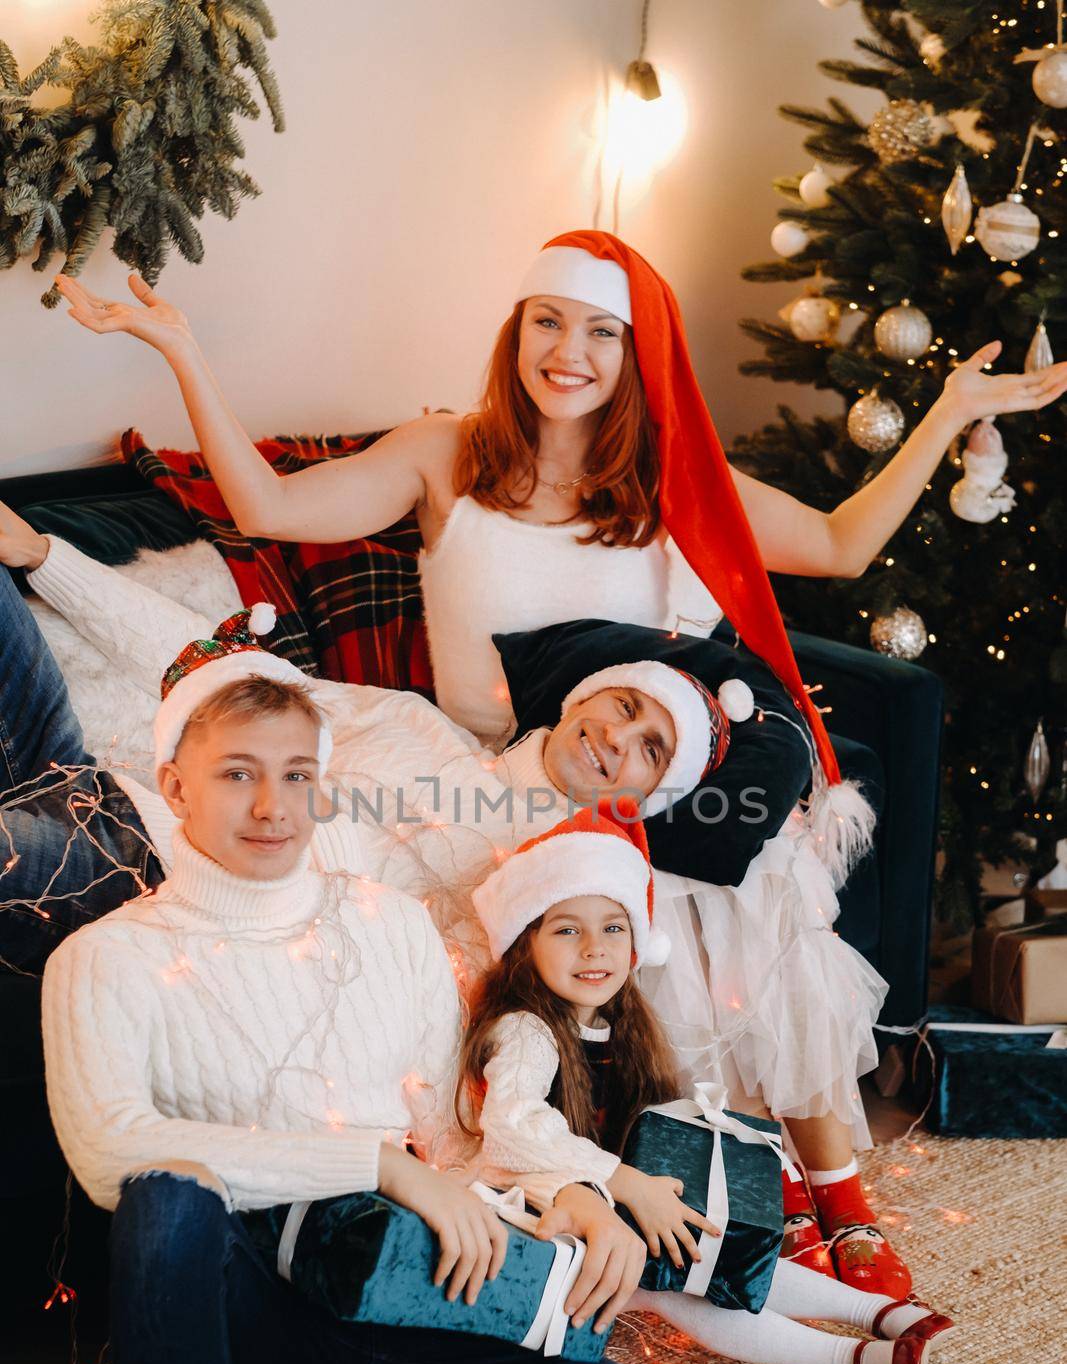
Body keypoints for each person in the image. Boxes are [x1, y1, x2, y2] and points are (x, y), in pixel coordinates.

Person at [44, 229, 1067, 1287]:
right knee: (607, 900)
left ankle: (828, 1189)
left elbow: (842, 543)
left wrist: (948, 412)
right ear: (515, 331)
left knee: (748, 876)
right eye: (545, 320)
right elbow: (269, 509)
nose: (565, 351)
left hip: (640, 773)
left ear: (633, 353)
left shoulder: (671, 479)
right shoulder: (446, 452)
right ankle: (725, 1183)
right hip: (489, 775)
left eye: (597, 331)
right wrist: (181, 350)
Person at [41, 613, 746, 1364]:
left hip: (414, 1308)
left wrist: (568, 1187)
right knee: (168, 1199)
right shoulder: (106, 958)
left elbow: (461, 1135)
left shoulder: (390, 928)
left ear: (321, 785)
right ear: (176, 786)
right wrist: (377, 1164)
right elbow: (116, 1151)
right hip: (256, 1327)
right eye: (237, 771)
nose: (270, 802)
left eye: (294, 774)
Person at [0, 521, 899, 1289]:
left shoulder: (537, 901)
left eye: (648, 749)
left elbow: (483, 1088)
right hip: (105, 780)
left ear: (648, 795)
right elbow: (226, 670)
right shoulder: (411, 723)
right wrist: (43, 555)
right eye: (621, 705)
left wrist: (573, 1187)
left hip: (122, 861)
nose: (614, 737)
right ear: (586, 694)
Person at [460, 797, 954, 1364]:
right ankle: (849, 1359)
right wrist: (629, 1184)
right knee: (679, 1271)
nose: (595, 948)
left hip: (594, 1192)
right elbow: (513, 1125)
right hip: (528, 1213)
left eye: (613, 928)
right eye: (568, 930)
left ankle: (880, 1316)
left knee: (708, 1235)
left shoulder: (618, 1023)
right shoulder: (526, 1030)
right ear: (524, 946)